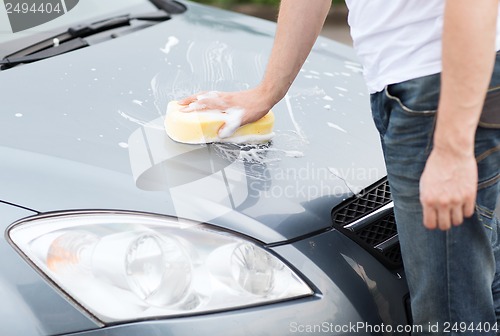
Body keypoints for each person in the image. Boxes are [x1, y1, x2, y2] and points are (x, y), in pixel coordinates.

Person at [180, 1, 500, 334]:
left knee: (451, 316)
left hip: (438, 88)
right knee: (481, 281)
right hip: (429, 85)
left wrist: (451, 148)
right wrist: (267, 91)